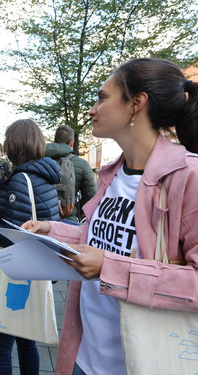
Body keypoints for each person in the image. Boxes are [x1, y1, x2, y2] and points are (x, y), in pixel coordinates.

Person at [22, 58, 198, 375]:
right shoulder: (112, 174)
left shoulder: (188, 176)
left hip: (141, 361)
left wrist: (110, 268)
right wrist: (50, 230)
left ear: (136, 104)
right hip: (84, 354)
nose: (92, 109)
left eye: (103, 97)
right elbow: (100, 240)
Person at [0, 119, 60, 375]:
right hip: (37, 268)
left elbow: (14, 235)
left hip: (18, 273)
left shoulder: (20, 179)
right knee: (27, 339)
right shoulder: (43, 176)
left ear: (14, 144)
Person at [45, 125, 96, 222]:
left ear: (54, 141)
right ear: (72, 143)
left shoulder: (40, 159)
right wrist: (75, 209)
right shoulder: (83, 164)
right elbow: (91, 196)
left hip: (42, 219)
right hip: (68, 219)